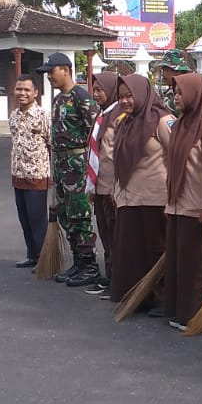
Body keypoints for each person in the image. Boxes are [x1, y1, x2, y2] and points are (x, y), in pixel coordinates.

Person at [108, 74, 174, 313]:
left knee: (155, 251)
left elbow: (179, 155)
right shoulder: (125, 122)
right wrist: (116, 189)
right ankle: (138, 296)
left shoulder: (162, 120)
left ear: (142, 94)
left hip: (155, 199)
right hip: (129, 198)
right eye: (121, 97)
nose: (125, 101)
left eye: (130, 96)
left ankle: (161, 298)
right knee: (132, 253)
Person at [38, 51, 102, 287]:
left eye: (52, 72)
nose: (49, 77)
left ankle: (90, 266)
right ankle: (78, 262)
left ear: (65, 70)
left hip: (78, 166)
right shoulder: (58, 100)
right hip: (61, 165)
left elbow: (96, 133)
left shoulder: (81, 98)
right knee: (66, 216)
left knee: (80, 215)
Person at [163, 73, 202, 330]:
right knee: (179, 262)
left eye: (181, 93)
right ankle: (179, 309)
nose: (176, 97)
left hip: (195, 207)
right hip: (177, 204)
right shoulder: (181, 124)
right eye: (175, 93)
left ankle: (194, 313)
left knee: (195, 264)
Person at [84, 72, 124, 296]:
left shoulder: (119, 116)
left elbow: (118, 154)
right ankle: (109, 276)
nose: (96, 94)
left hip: (112, 187)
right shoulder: (102, 114)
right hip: (99, 186)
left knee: (116, 236)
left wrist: (117, 188)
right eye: (95, 89)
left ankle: (117, 279)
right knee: (105, 235)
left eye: (100, 90)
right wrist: (91, 185)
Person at [8, 74, 51, 270]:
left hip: (37, 176)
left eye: (27, 89)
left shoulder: (43, 116)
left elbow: (51, 144)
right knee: (24, 219)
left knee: (37, 220)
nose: (22, 93)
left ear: (35, 93)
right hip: (18, 176)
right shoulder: (14, 116)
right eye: (19, 89)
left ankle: (44, 259)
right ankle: (32, 254)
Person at [156, 48, 193, 115]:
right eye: (163, 70)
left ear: (178, 72)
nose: (163, 74)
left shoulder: (188, 94)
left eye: (166, 70)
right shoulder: (169, 92)